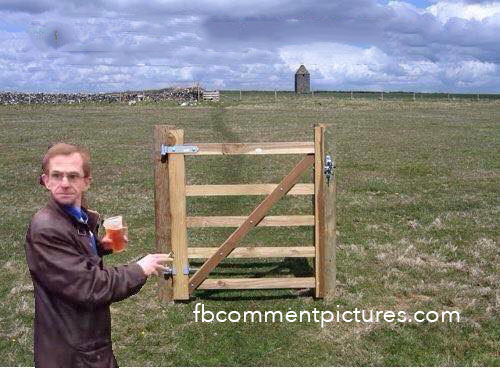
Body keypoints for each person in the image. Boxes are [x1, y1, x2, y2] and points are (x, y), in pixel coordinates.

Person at [24, 143, 170, 367]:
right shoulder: (47, 227)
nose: (65, 183)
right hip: (72, 352)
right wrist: (140, 268)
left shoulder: (72, 217)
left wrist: (100, 246)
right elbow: (90, 286)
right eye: (57, 175)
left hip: (83, 339)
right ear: (46, 181)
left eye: (73, 176)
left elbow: (70, 260)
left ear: (86, 182)